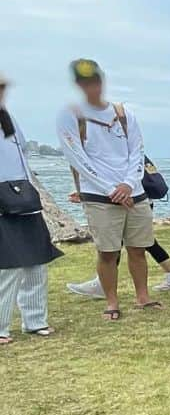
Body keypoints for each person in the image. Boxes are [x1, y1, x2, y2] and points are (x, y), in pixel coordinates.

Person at [57, 58, 161, 320]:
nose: (93, 86)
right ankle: (111, 302)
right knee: (107, 251)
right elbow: (77, 157)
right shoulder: (71, 115)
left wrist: (127, 183)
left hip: (134, 190)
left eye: (95, 80)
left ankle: (143, 296)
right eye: (86, 82)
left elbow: (137, 151)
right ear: (78, 85)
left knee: (138, 247)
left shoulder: (123, 113)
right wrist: (110, 188)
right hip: (99, 195)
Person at [0, 76, 61, 345]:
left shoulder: (8, 117)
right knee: (7, 266)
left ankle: (35, 321)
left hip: (22, 194)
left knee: (36, 262)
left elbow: (21, 152)